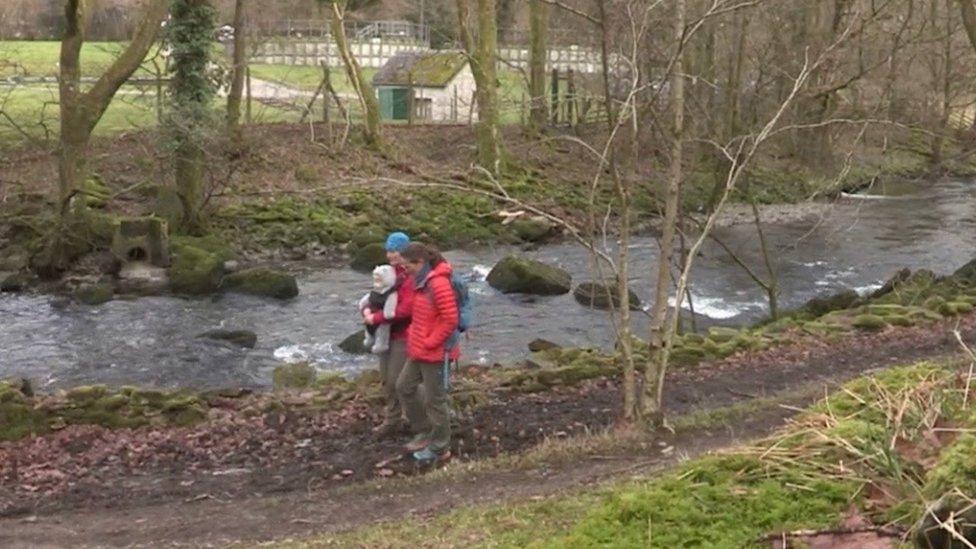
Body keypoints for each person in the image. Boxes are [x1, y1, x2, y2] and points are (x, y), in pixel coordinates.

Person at [396, 242, 460, 462]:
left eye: (407, 266)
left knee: (436, 400)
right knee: (404, 386)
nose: (405, 270)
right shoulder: (420, 281)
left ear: (420, 262)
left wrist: (431, 341)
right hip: (420, 349)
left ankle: (440, 448)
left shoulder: (438, 283)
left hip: (435, 352)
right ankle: (425, 430)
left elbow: (450, 319)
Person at [364, 232, 415, 435]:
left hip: (403, 334)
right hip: (385, 334)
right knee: (386, 380)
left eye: (395, 251)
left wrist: (375, 319)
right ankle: (392, 420)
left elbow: (405, 309)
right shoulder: (386, 273)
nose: (391, 255)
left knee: (397, 380)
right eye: (389, 250)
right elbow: (374, 298)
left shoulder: (411, 275)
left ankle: (415, 417)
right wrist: (366, 311)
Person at [358, 265, 398, 354]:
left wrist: (376, 316)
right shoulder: (375, 291)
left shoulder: (391, 294)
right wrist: (365, 310)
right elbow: (364, 302)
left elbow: (389, 313)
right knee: (368, 329)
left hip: (382, 319)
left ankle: (381, 345)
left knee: (382, 331)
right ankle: (369, 339)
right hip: (371, 315)